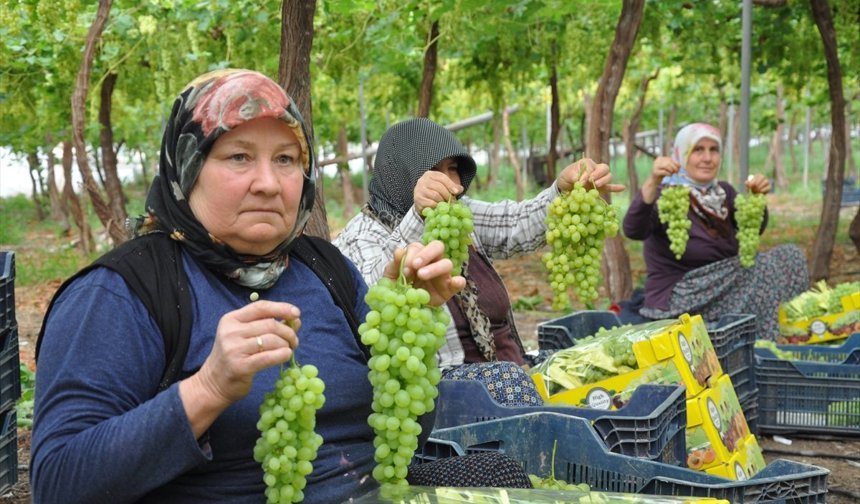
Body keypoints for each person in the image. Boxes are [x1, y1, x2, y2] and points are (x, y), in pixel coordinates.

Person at [30, 69, 469, 504]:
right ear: (189, 165)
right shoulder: (121, 293)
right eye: (238, 157)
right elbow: (57, 483)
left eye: (285, 159)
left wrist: (407, 328)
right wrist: (208, 390)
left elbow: (405, 428)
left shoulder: (325, 266)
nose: (268, 183)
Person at [333, 117, 623, 404]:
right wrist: (418, 219)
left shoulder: (456, 212)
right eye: (433, 171)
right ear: (401, 173)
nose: (449, 182)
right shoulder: (359, 238)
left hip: (514, 371)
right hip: (445, 390)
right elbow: (378, 302)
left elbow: (514, 224)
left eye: (453, 169)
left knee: (587, 365)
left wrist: (561, 191)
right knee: (515, 383)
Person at [622, 122, 808, 339]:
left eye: (714, 150)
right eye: (698, 150)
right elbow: (633, 230)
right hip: (681, 295)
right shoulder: (668, 197)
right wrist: (652, 182)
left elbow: (752, 230)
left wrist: (756, 199)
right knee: (763, 267)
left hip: (724, 287)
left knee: (790, 256)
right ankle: (765, 344)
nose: (708, 158)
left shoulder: (724, 193)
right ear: (681, 154)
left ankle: (794, 331)